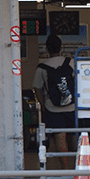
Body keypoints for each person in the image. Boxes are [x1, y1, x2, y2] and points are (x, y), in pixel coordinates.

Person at [33, 34, 76, 169]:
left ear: (47, 48)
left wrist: (43, 105)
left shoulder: (42, 67)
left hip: (52, 108)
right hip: (72, 106)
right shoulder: (71, 63)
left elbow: (37, 89)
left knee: (60, 137)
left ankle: (65, 167)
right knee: (73, 136)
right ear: (61, 47)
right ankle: (76, 164)